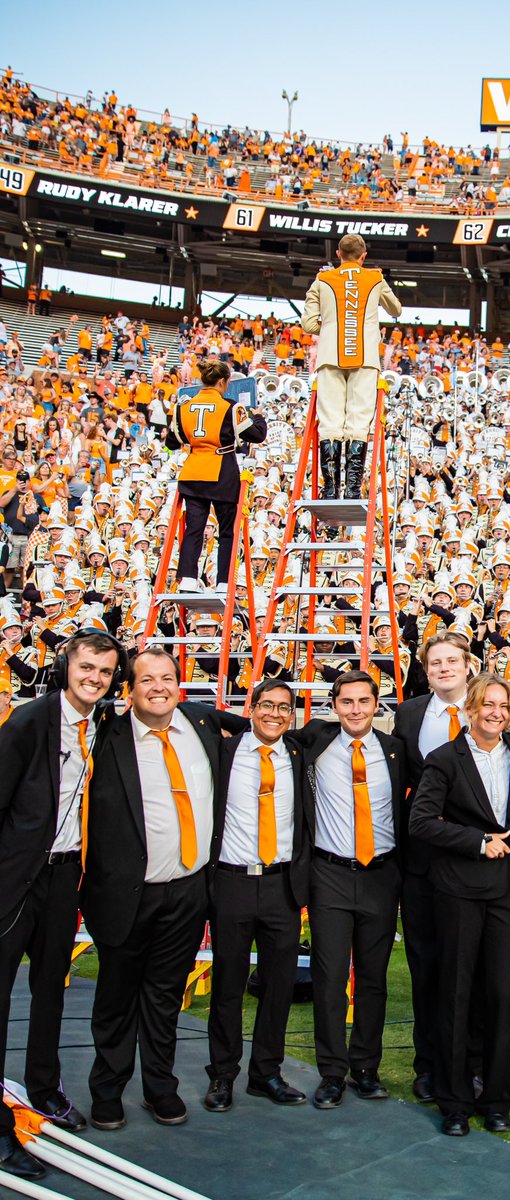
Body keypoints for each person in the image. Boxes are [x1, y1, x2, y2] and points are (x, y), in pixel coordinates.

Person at [81, 647, 245, 1131]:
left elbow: (264, 724)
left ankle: (160, 1087)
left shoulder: (200, 723)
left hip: (188, 891)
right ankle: (107, 1089)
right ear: (128, 688)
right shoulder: (106, 733)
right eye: (146, 678)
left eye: (168, 677)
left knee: (164, 997)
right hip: (126, 892)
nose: (159, 686)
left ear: (181, 682)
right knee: (116, 998)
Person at [0, 630, 126, 1182]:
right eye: (87, 667)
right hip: (14, 880)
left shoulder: (103, 724)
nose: (95, 678)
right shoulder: (28, 723)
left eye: (104, 671)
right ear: (65, 665)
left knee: (52, 988)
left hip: (63, 877)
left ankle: (44, 1090)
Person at [409, 672, 510, 1137]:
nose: (496, 713)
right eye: (488, 704)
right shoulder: (444, 759)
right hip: (459, 888)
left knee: (502, 996)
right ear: (472, 708)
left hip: (508, 890)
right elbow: (420, 822)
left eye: (504, 706)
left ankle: (496, 1098)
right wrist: (476, 841)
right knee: (457, 995)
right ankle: (454, 1100)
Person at [203, 679, 312, 1114]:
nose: (275, 714)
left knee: (278, 985)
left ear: (293, 714)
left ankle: (266, 1071)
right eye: (266, 705)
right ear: (251, 708)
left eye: (284, 708)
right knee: (228, 985)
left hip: (282, 885)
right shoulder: (222, 753)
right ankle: (222, 1075)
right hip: (232, 882)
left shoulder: (300, 753)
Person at [300, 671, 406, 1111]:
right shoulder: (313, 743)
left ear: (376, 704)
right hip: (330, 873)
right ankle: (331, 1073)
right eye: (347, 702)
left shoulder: (396, 750)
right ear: (333, 705)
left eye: (365, 701)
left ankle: (366, 1066)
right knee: (328, 978)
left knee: (373, 977)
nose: (356, 710)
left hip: (381, 874)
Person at [391, 631, 471, 1103]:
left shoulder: (491, 705)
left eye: (451, 661)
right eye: (434, 662)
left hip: (474, 860)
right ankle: (427, 1064)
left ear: (467, 665)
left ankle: (471, 1064)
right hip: (422, 859)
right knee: (425, 963)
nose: (443, 669)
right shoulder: (410, 713)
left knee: (470, 967)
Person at [302, 234, 402, 499]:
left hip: (330, 355)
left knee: (330, 421)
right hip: (365, 356)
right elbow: (396, 310)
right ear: (363, 256)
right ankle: (354, 488)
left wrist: (331, 326)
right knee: (358, 420)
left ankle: (331, 488)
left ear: (338, 254)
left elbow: (308, 325)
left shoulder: (322, 280)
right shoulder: (375, 278)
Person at [166, 358, 267, 593]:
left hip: (192, 471)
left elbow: (172, 442)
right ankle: (223, 582)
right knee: (226, 531)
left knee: (194, 528)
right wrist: (258, 415)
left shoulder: (183, 406)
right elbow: (257, 434)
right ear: (223, 381)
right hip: (222, 471)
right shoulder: (231, 406)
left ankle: (188, 579)